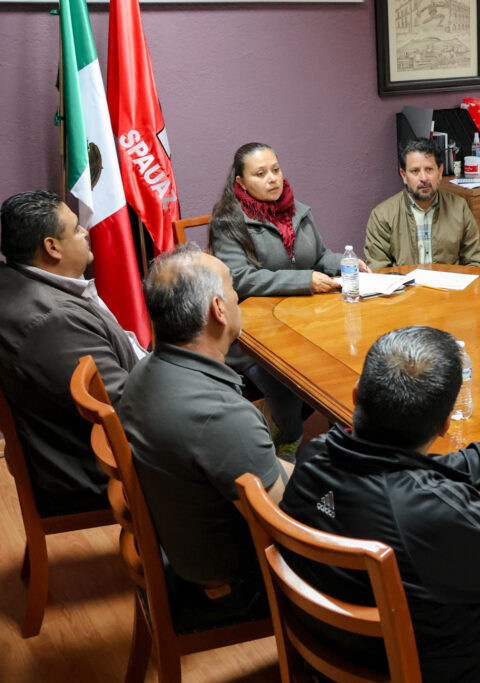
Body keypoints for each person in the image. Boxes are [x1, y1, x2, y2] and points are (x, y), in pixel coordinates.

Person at [280, 326, 480, 682]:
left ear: (356, 394)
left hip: (337, 644)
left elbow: (401, 467)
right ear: (445, 425)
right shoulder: (431, 513)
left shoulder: (315, 455)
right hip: (433, 669)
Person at [120, 244, 292, 622]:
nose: (237, 296)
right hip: (238, 588)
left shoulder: (144, 372)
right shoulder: (221, 416)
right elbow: (288, 529)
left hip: (184, 547)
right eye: (232, 288)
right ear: (218, 309)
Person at [210, 142, 363, 459]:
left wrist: (345, 263)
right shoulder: (228, 222)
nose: (272, 179)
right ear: (240, 182)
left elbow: (318, 257)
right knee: (291, 378)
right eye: (260, 174)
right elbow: (239, 278)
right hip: (253, 336)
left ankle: (344, 441)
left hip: (305, 323)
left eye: (276, 170)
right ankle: (286, 442)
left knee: (345, 361)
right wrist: (303, 281)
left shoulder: (299, 212)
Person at [0, 190, 145, 515]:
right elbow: (124, 408)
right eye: (76, 228)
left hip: (84, 446)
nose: (85, 232)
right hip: (100, 468)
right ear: (52, 247)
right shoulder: (53, 323)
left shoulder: (22, 281)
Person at [364, 138, 480, 271]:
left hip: (449, 284)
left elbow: (474, 264)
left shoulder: (459, 208)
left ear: (440, 172)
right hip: (404, 285)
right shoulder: (383, 215)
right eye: (415, 171)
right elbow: (378, 271)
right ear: (404, 176)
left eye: (429, 169)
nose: (423, 178)